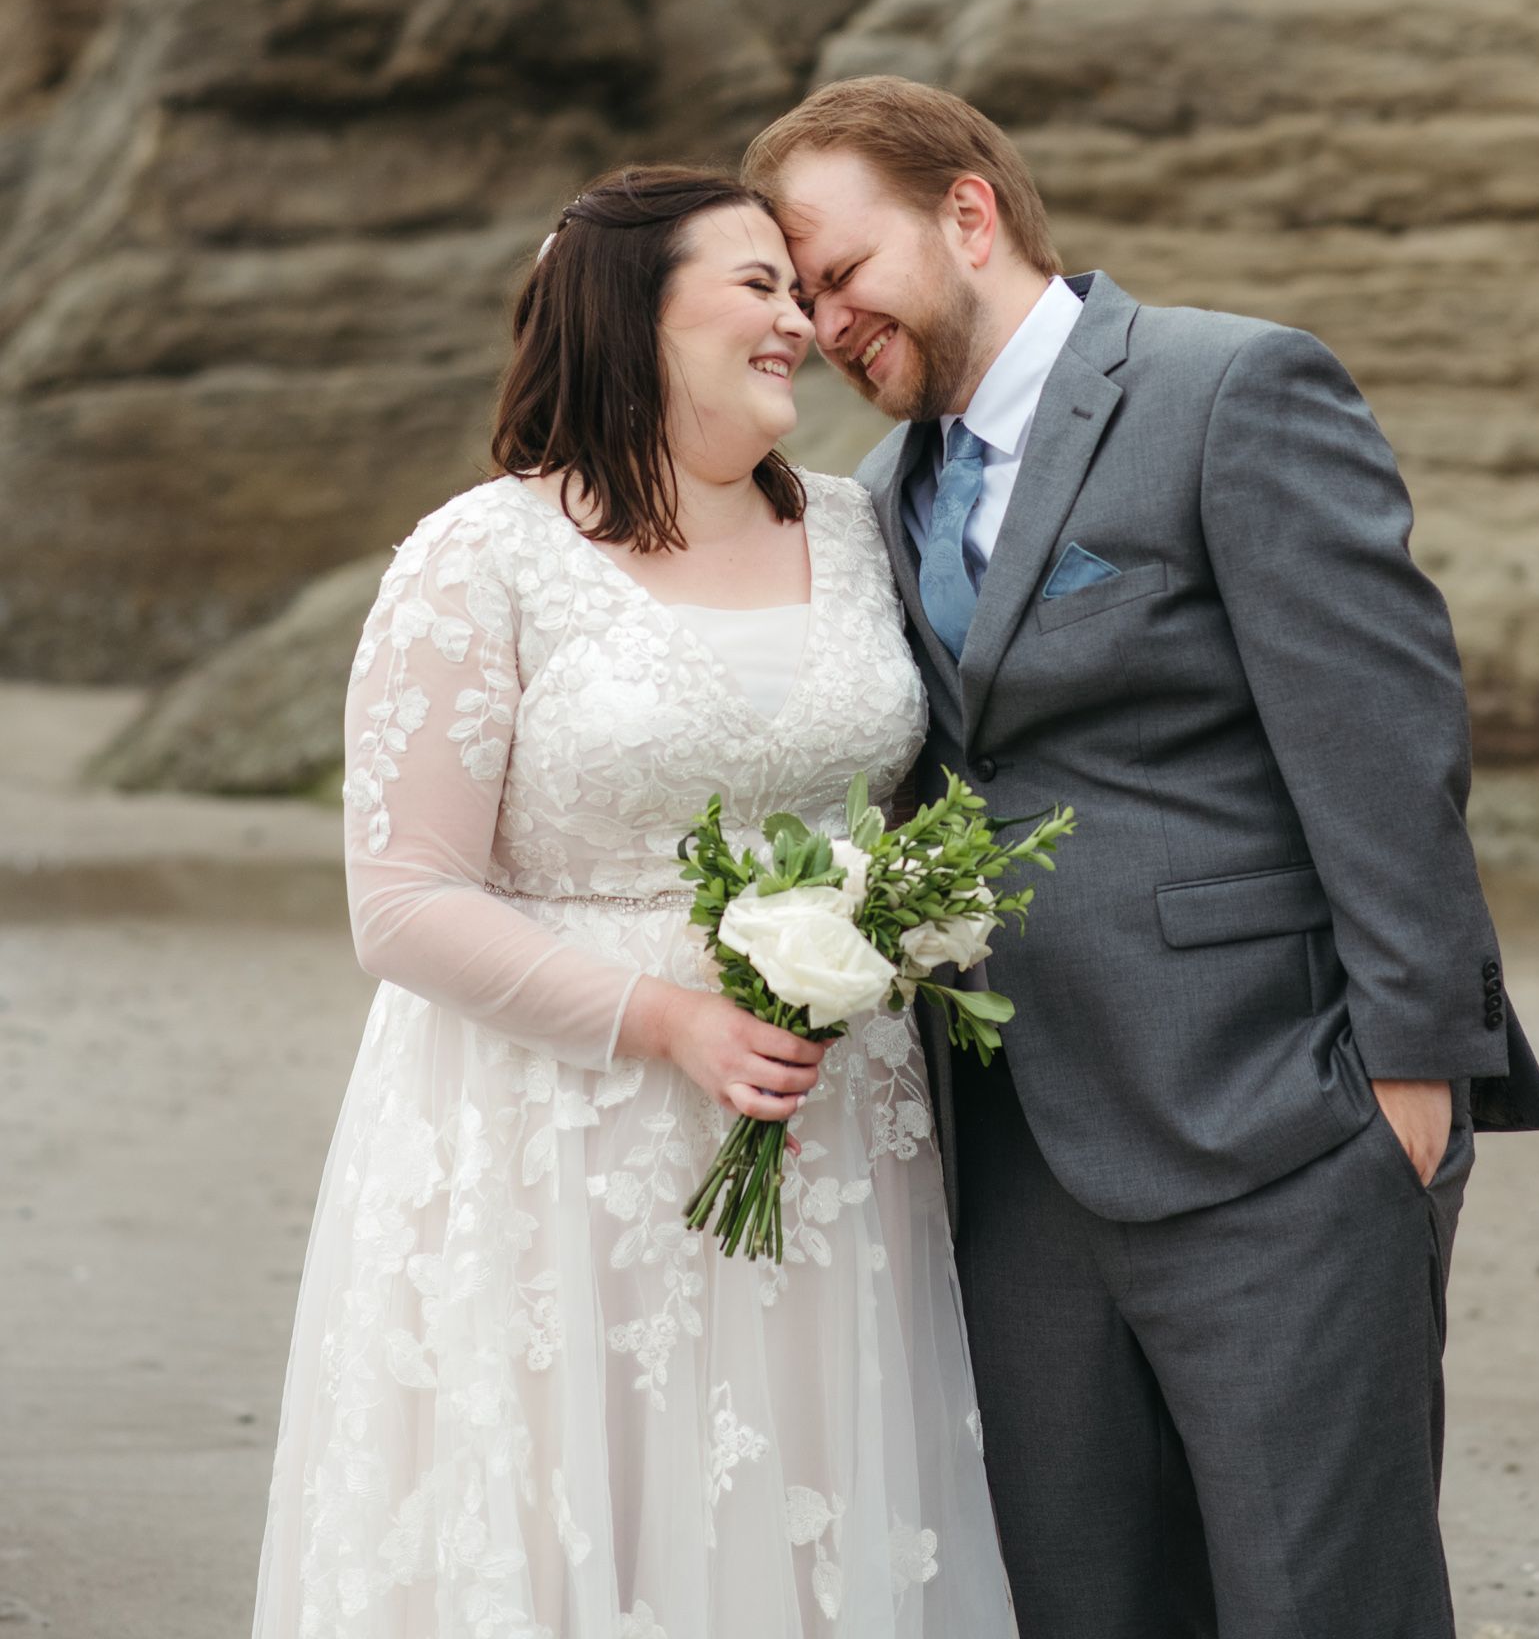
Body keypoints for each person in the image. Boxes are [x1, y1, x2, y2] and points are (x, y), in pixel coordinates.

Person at [744, 77, 1539, 1639]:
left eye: (843, 275)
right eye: (801, 296)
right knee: (1085, 1602)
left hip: (1278, 1121)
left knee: (1322, 1598)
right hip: (1017, 1163)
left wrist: (1415, 1079)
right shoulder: (883, 497)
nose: (829, 326)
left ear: (966, 213)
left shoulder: (1231, 386)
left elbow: (1387, 747)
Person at [252, 166, 1015, 1639]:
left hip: (832, 1129)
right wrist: (664, 1018)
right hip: (555, 1137)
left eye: (800, 289)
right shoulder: (481, 558)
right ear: (630, 315)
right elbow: (402, 903)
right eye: (757, 285)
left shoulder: (860, 530)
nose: (800, 318)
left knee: (811, 1510)